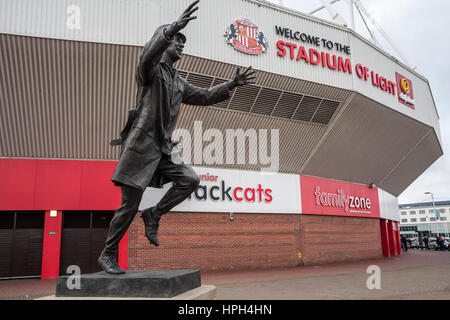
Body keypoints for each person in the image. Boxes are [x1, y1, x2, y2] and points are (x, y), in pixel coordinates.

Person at [97, 0, 256, 274]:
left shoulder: (179, 81)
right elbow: (146, 56)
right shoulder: (150, 71)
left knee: (190, 179)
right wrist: (170, 30)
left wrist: (231, 85)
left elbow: (204, 96)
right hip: (140, 149)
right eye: (177, 41)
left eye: (183, 42)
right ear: (165, 44)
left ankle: (154, 214)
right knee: (128, 206)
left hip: (163, 151)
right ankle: (108, 254)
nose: (181, 45)